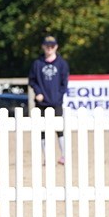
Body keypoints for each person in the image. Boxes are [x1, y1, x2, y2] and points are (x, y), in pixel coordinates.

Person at [29, 35, 69, 164]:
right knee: (42, 130)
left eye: (52, 46)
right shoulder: (37, 64)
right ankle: (47, 157)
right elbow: (32, 80)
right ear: (43, 47)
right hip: (42, 102)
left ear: (56, 47)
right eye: (47, 46)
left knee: (60, 129)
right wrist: (38, 92)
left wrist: (58, 96)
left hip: (56, 102)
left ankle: (64, 156)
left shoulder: (62, 64)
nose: (49, 48)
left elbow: (64, 83)